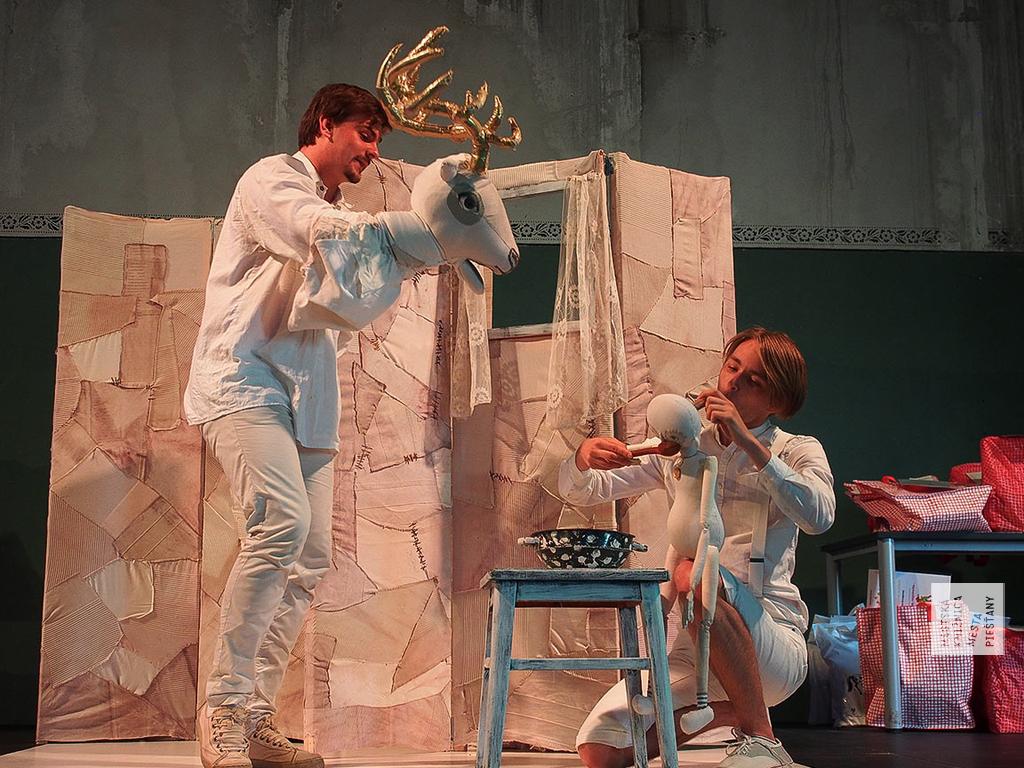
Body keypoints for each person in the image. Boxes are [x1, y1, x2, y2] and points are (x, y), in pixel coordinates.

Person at [184, 81, 519, 768]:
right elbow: (313, 229)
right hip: (244, 381)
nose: (372, 150)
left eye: (378, 140)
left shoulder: (345, 214)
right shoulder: (272, 181)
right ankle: (223, 708)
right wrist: (409, 233)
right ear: (326, 124)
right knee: (279, 525)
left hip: (307, 399)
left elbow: (354, 285)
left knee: (308, 557)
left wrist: (435, 246)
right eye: (366, 134)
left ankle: (256, 715)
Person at [559, 327, 836, 768]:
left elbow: (820, 516)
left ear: (777, 401)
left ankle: (764, 739)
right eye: (731, 368)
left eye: (752, 380)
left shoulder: (796, 450)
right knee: (600, 750)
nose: (732, 383)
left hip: (769, 645)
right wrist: (583, 458)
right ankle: (729, 712)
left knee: (693, 571)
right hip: (693, 650)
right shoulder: (684, 448)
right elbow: (584, 490)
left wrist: (746, 441)